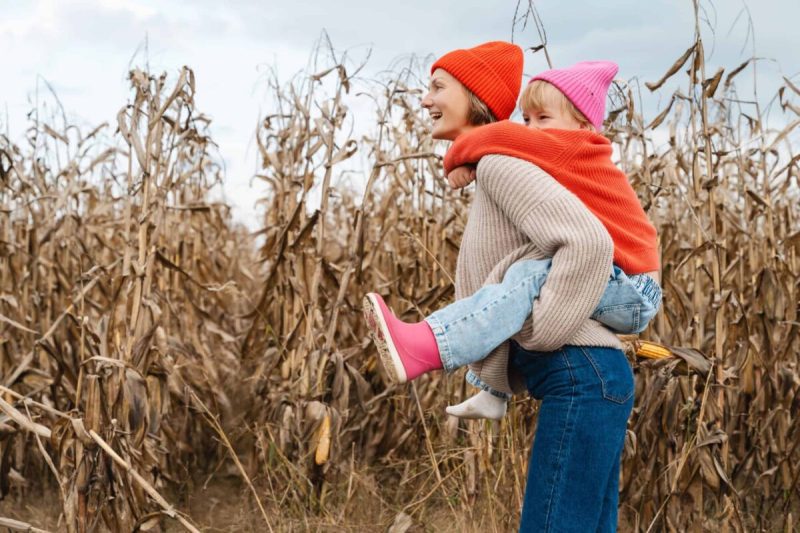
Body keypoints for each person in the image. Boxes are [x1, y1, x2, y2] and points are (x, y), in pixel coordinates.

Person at [363, 41, 639, 531]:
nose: (425, 99)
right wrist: (493, 379)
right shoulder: (497, 164)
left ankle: (427, 344)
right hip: (592, 377)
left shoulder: (502, 166)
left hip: (581, 374)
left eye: (438, 87)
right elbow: (500, 295)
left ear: (472, 96)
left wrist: (545, 333)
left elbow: (588, 243)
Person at [364, 60, 661, 421]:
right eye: (527, 119)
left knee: (530, 273)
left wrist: (459, 158)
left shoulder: (577, 146)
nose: (532, 129)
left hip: (633, 287)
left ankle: (431, 344)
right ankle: (492, 390)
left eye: (543, 118)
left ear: (583, 124)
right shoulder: (558, 155)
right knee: (521, 274)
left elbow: (503, 138)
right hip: (620, 286)